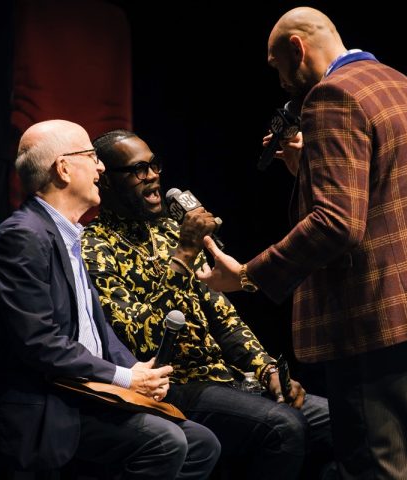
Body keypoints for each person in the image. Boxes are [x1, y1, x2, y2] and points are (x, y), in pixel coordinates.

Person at [197, 7, 407, 479]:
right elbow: (391, 193)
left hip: (378, 315)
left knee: (375, 467)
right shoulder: (405, 85)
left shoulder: (330, 97)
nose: (281, 81)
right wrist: (309, 169)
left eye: (276, 66)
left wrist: (246, 276)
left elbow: (337, 224)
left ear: (296, 49)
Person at [0, 120, 220, 478]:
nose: (100, 167)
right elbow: (40, 343)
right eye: (90, 156)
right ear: (63, 168)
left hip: (86, 394)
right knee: (165, 441)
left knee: (202, 443)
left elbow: (94, 330)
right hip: (46, 406)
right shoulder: (22, 237)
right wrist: (125, 379)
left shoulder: (67, 234)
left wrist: (136, 370)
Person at [81, 129, 333, 480]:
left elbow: (222, 317)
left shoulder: (170, 230)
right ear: (106, 182)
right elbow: (145, 341)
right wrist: (184, 253)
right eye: (138, 170)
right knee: (282, 427)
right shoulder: (94, 249)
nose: (153, 175)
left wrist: (268, 371)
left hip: (224, 379)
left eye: (154, 165)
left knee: (339, 423)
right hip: (174, 387)